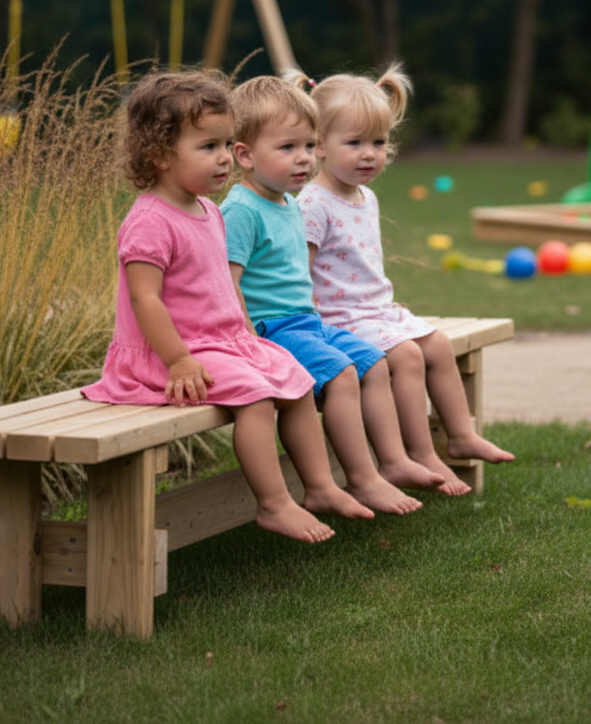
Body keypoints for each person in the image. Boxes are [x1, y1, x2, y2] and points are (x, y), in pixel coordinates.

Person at [82, 70, 374, 544]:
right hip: (169, 356)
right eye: (208, 147)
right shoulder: (150, 221)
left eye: (225, 144)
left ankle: (320, 488)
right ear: (159, 155)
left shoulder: (208, 210)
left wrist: (246, 335)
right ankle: (274, 504)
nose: (224, 158)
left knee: (297, 379)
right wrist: (179, 360)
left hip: (221, 342)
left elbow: (220, 287)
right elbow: (144, 299)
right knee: (256, 397)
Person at [221, 75, 447, 515]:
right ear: (245, 155)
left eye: (309, 146)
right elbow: (226, 284)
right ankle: (358, 480)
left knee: (373, 363)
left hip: (305, 322)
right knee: (342, 374)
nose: (304, 158)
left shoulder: (287, 202)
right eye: (288, 148)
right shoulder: (242, 210)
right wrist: (248, 341)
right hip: (270, 329)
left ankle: (393, 462)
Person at [294, 63, 515, 492]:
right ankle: (418, 454)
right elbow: (300, 272)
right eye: (355, 143)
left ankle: (461, 436)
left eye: (378, 142)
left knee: (438, 344)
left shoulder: (366, 196)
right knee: (409, 356)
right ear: (319, 145)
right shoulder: (313, 205)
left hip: (374, 311)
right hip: (338, 319)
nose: (369, 154)